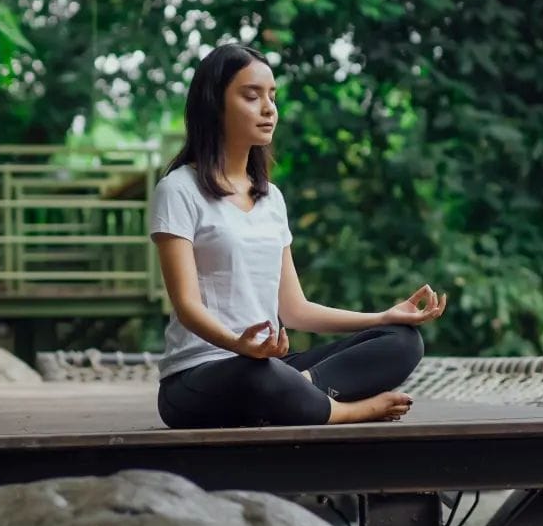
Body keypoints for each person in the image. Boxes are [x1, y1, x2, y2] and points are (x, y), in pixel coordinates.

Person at [150, 43, 447, 428]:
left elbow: (294, 309)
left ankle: (301, 391)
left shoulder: (271, 198)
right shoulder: (179, 190)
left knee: (402, 341)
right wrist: (238, 345)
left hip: (271, 368)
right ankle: (344, 411)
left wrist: (382, 316)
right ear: (214, 104)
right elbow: (188, 306)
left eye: (272, 96)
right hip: (200, 376)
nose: (269, 108)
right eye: (251, 96)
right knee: (258, 376)